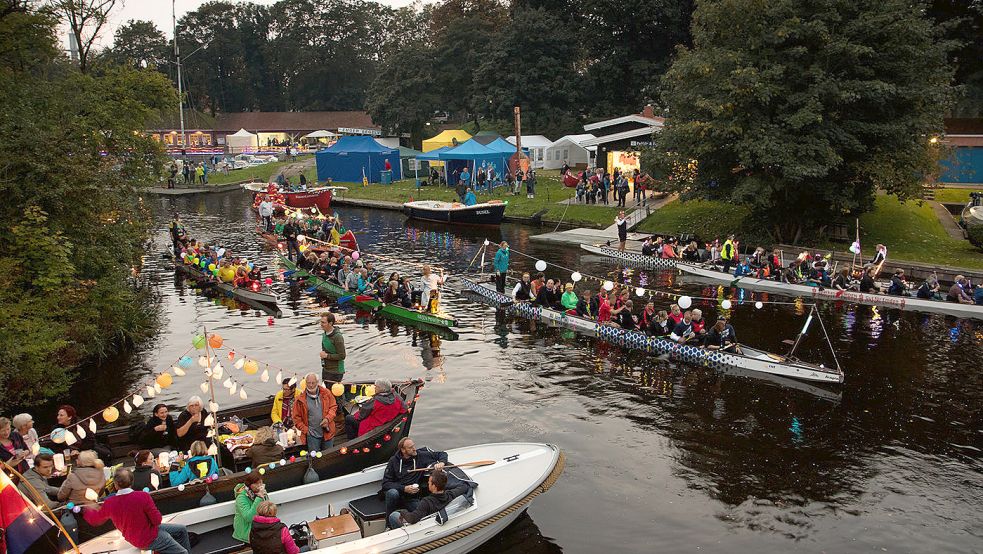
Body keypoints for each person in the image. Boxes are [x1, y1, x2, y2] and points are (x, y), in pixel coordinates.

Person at [83, 468, 191, 554]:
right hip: (149, 537)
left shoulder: (110, 502)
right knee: (183, 552)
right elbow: (157, 520)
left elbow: (95, 519)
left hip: (137, 536)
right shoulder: (142, 496)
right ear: (132, 482)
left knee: (181, 530)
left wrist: (88, 507)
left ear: (115, 485)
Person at [381, 438, 448, 523]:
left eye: (414, 446)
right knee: (392, 493)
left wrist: (442, 463)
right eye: (410, 447)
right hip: (398, 493)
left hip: (411, 497)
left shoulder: (420, 456)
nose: (414, 449)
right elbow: (385, 484)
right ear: (403, 450)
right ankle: (388, 523)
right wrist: (404, 488)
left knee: (424, 513)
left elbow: (442, 454)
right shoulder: (393, 461)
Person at [388, 469, 470, 529]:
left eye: (429, 482)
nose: (428, 483)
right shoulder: (450, 495)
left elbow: (412, 519)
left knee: (393, 515)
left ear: (434, 486)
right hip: (432, 514)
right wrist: (443, 485)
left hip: (421, 523)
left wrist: (403, 512)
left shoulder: (426, 502)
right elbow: (464, 486)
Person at [292, 373, 338, 451]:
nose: (311, 385)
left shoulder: (326, 393)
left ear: (317, 382)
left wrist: (327, 419)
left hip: (327, 431)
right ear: (305, 383)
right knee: (314, 457)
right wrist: (306, 430)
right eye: (308, 383)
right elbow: (296, 418)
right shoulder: (300, 400)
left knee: (329, 454)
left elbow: (333, 407)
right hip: (312, 435)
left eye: (313, 383)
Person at [233, 472, 269, 543]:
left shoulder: (261, 492)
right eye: (256, 483)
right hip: (246, 532)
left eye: (261, 483)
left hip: (260, 528)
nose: (259, 486)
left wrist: (264, 497)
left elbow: (268, 511)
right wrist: (259, 498)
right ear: (249, 485)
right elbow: (249, 518)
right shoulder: (241, 498)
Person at [319, 312, 346, 383]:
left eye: (323, 322)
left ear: (330, 323)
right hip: (326, 369)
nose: (321, 324)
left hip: (336, 372)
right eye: (321, 322)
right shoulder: (324, 333)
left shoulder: (337, 337)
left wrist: (327, 356)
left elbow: (342, 356)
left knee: (332, 393)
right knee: (324, 392)